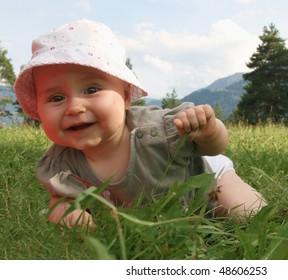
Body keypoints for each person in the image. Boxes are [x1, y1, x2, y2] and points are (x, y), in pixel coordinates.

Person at [14, 19, 266, 228]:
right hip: (157, 210)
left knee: (247, 215)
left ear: (125, 97)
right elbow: (61, 199)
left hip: (201, 174)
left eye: (91, 89)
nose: (75, 107)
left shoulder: (159, 129)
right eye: (56, 98)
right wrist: (65, 213)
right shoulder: (60, 165)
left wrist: (208, 131)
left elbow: (215, 147)